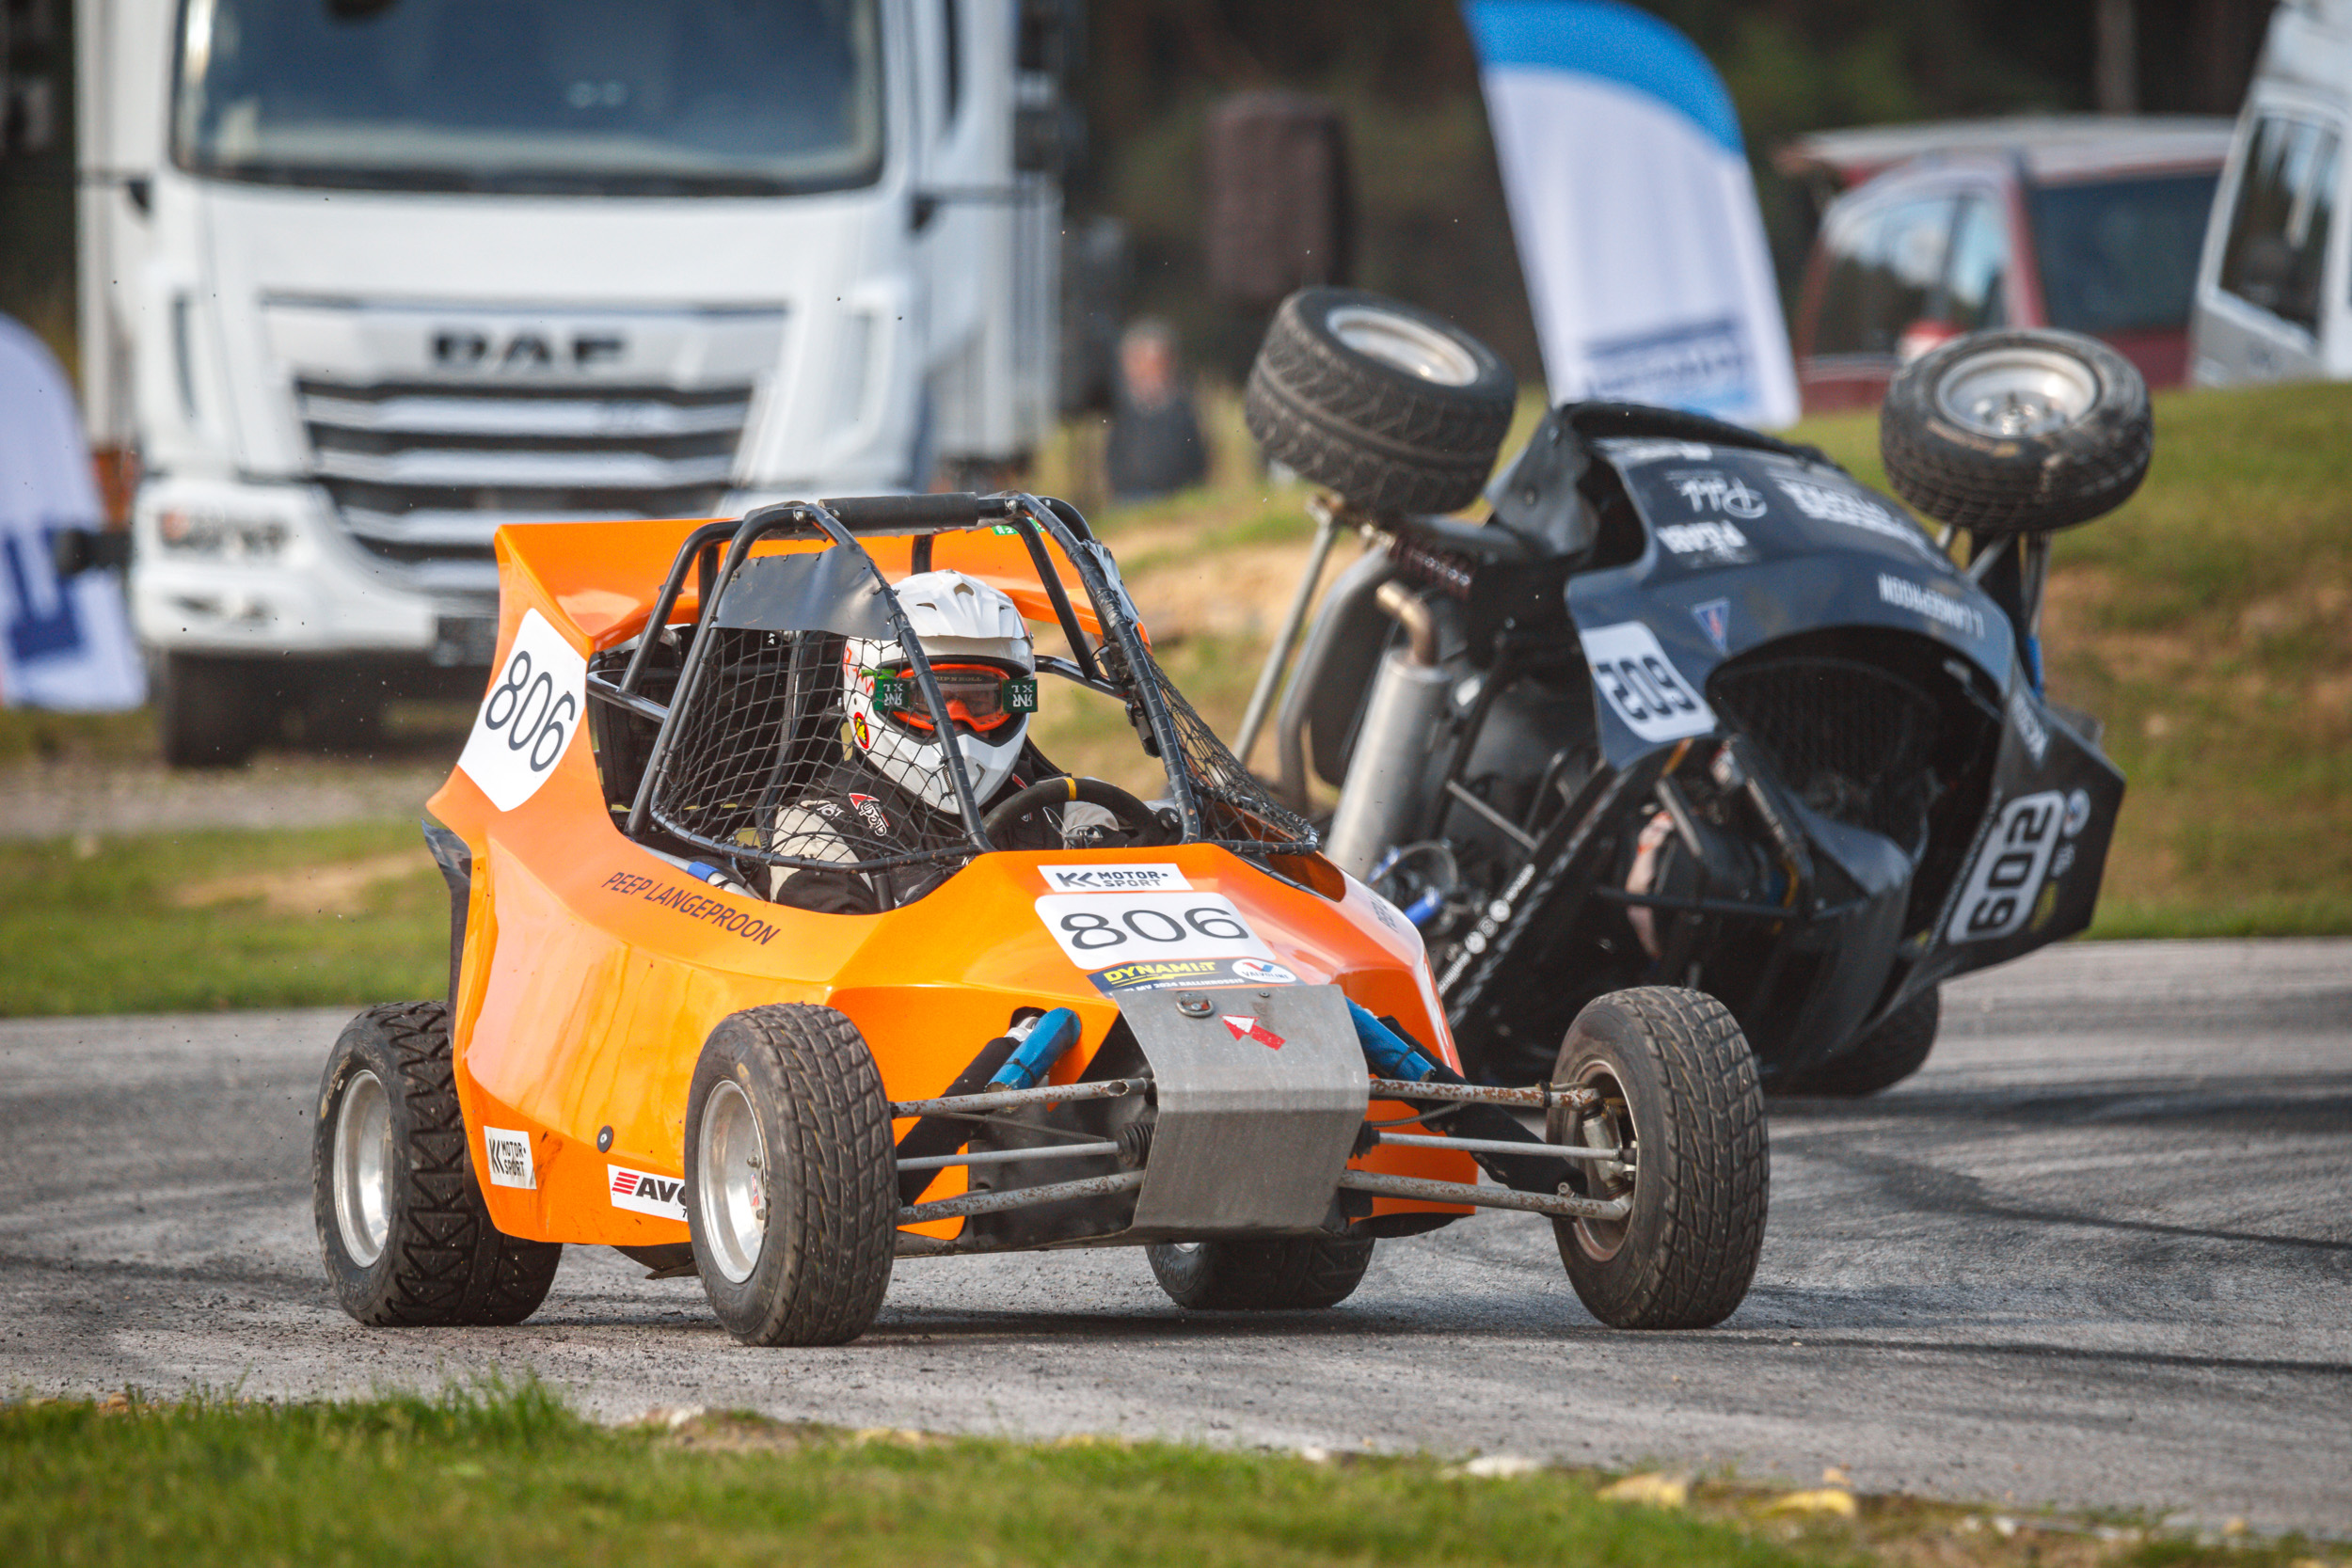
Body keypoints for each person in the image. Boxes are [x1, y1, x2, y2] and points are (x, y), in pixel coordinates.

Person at [764, 569, 1112, 911]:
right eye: (929, 702)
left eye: (980, 702)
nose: (956, 724)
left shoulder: (1071, 811)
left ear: (1012, 702)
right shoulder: (815, 831)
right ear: (871, 692)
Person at [1104, 319, 1209, 501]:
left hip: (1176, 495)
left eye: (1157, 362)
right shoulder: (1119, 404)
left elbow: (1197, 454)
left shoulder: (1181, 405)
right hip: (1129, 496)